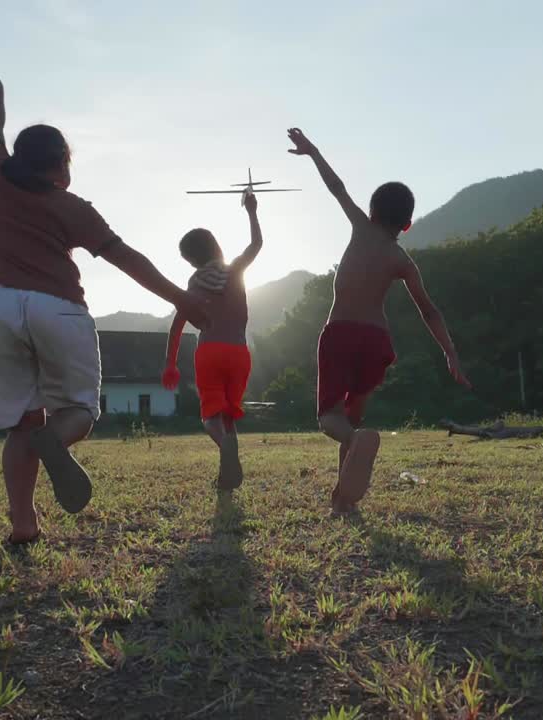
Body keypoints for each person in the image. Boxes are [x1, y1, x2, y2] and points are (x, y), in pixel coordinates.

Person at [0, 58, 208, 544]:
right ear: (62, 165)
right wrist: (184, 300)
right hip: (56, 307)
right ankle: (56, 441)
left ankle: (23, 525)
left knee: (20, 424)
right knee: (79, 409)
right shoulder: (73, 208)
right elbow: (128, 260)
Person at [286, 127, 471, 515]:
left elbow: (336, 187)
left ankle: (355, 448)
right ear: (406, 225)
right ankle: (343, 501)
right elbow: (429, 310)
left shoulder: (360, 226)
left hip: (340, 333)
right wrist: (450, 353)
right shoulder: (402, 260)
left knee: (330, 419)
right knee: (352, 418)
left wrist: (313, 151)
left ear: (371, 212)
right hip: (377, 342)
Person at [161, 189, 262, 491]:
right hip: (239, 352)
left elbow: (178, 323)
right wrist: (251, 209)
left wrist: (170, 364)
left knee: (210, 417)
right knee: (228, 415)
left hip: (209, 352)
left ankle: (226, 451)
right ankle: (226, 471)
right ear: (217, 246)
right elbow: (256, 244)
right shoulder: (236, 271)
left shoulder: (194, 283)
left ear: (190, 260)